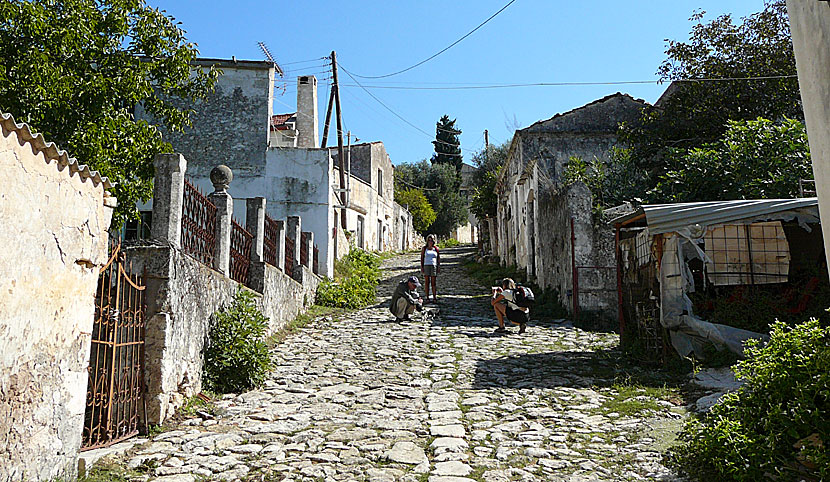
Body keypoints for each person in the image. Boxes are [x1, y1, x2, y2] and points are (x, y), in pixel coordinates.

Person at [420, 234, 441, 303]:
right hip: (426, 265)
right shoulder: (424, 248)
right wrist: (422, 267)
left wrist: (438, 266)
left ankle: (434, 297)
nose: (430, 242)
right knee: (426, 282)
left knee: (433, 283)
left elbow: (438, 258)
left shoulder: (436, 249)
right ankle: (427, 297)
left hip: (433, 266)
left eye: (431, 240)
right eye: (429, 240)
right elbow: (422, 258)